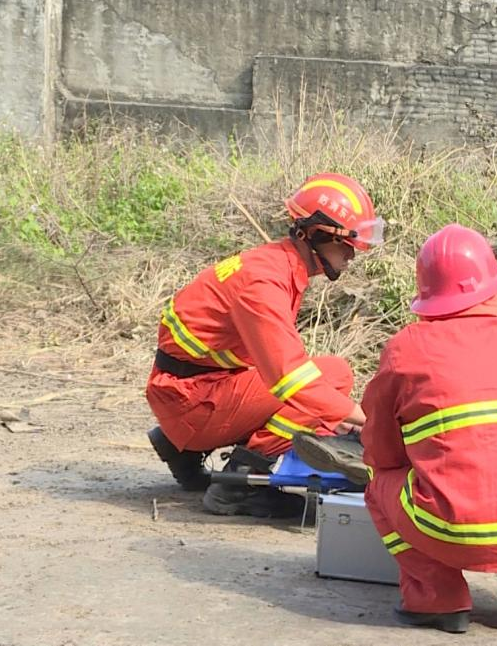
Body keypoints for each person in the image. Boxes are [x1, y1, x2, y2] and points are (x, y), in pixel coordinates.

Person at [305, 224, 497, 636]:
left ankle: (440, 597)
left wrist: (406, 467)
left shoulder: (406, 348)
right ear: (491, 285)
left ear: (428, 291)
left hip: (453, 527)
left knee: (379, 487)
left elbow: (381, 450)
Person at [144, 172, 383, 518]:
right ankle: (239, 481)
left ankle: (182, 446)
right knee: (333, 376)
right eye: (346, 244)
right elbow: (291, 379)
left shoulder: (274, 264)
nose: (353, 255)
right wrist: (366, 419)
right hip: (193, 404)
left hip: (189, 393)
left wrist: (334, 416)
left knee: (325, 393)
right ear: (314, 234)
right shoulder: (264, 283)